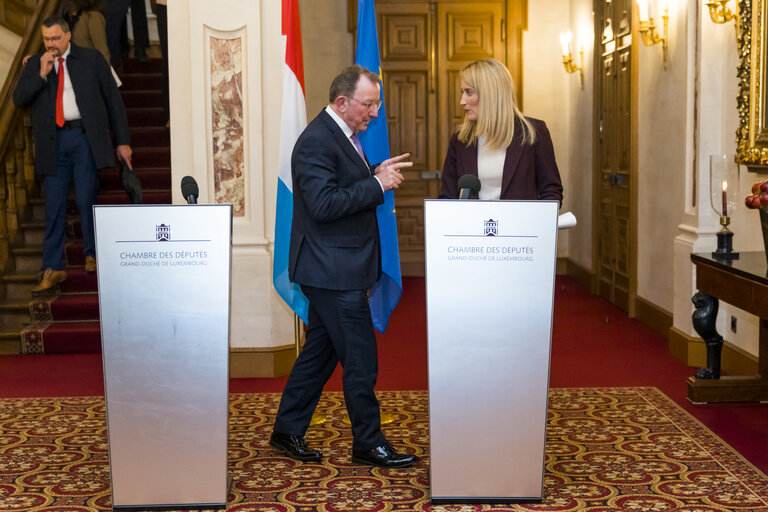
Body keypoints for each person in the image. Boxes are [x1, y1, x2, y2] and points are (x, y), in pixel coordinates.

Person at [270, 65, 419, 469]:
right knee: (360, 359)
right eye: (369, 104)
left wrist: (372, 173)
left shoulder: (341, 135)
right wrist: (376, 185)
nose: (375, 112)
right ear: (342, 102)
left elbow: (337, 187)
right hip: (332, 270)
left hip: (334, 267)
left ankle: (287, 429)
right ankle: (368, 443)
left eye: (376, 104)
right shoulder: (317, 140)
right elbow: (322, 205)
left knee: (320, 353)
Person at [13, 16, 132, 292]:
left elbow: (113, 101)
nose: (51, 44)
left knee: (86, 196)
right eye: (46, 39)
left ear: (67, 36)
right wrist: (41, 74)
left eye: (55, 38)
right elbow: (19, 99)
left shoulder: (90, 59)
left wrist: (122, 141)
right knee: (53, 205)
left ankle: (91, 253)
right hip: (53, 142)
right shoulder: (35, 64)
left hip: (83, 138)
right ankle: (52, 267)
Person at [439, 58, 563, 203]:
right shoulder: (460, 139)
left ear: (490, 93)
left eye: (469, 92)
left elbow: (551, 191)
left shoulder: (534, 132)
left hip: (520, 225)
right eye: (462, 92)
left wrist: (540, 221)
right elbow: (447, 196)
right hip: (473, 225)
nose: (462, 101)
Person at [60, 0, 110, 64]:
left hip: (87, 68)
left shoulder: (93, 17)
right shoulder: (67, 14)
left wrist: (104, 72)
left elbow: (102, 51)